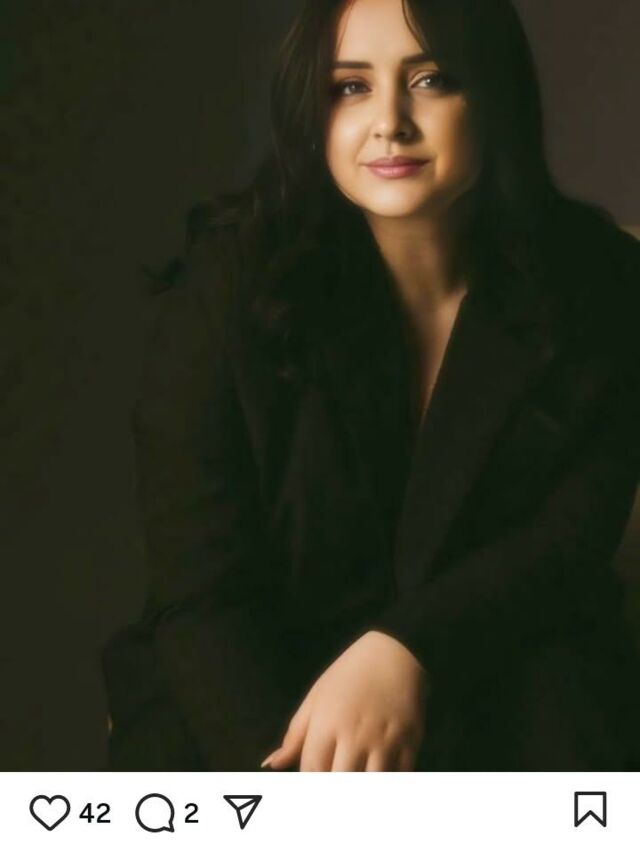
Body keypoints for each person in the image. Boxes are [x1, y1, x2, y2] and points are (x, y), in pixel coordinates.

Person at [101, 0, 640, 771]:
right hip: (253, 683)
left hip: (491, 658)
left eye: (431, 79)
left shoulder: (601, 280)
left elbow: (566, 541)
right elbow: (201, 590)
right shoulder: (224, 289)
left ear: (495, 92)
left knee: (570, 714)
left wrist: (406, 648)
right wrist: (297, 795)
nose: (389, 123)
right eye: (350, 87)